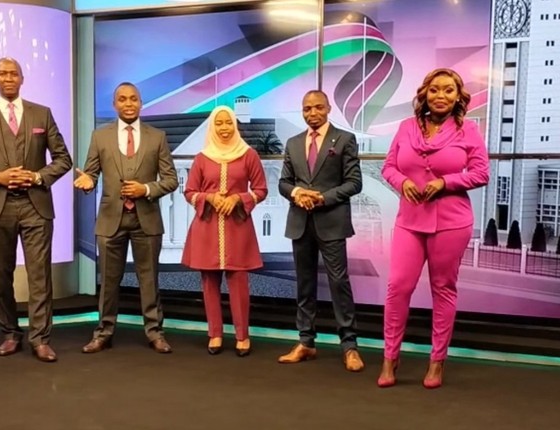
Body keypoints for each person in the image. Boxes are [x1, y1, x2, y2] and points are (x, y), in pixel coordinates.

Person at [0, 57, 72, 363]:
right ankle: (10, 333)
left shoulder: (41, 114)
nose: (8, 78)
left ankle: (41, 338)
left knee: (39, 276)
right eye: (3, 73)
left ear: (23, 78)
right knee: (0, 276)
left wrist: (37, 176)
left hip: (35, 205)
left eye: (14, 74)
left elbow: (63, 159)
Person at [378, 68, 489, 388]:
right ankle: (390, 357)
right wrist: (402, 182)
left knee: (443, 289)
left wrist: (446, 182)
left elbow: (481, 174)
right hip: (410, 221)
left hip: (451, 222)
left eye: (449, 91)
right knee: (398, 287)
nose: (441, 96)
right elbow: (389, 167)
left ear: (458, 97)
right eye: (435, 90)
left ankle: (437, 361)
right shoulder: (406, 127)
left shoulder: (468, 130)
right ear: (425, 94)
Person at [73, 82, 179, 354]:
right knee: (108, 281)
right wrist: (87, 181)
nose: (128, 103)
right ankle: (103, 333)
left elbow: (170, 180)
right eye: (122, 99)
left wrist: (145, 189)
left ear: (141, 103)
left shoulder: (158, 137)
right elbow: (91, 173)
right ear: (115, 104)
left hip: (147, 219)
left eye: (133, 99)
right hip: (110, 220)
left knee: (149, 280)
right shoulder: (100, 136)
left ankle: (155, 332)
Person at [277, 90, 364, 372]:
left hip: (332, 221)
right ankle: (306, 342)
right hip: (300, 222)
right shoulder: (292, 143)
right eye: (306, 108)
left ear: (328, 109)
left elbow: (354, 183)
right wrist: (298, 193)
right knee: (304, 285)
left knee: (339, 284)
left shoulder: (345, 139)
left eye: (317, 107)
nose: (312, 113)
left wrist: (322, 198)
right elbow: (283, 183)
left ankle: (349, 346)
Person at [180, 106, 267, 357]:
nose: (224, 128)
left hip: (237, 226)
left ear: (235, 124)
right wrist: (209, 198)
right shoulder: (202, 157)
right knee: (209, 282)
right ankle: (215, 334)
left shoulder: (248, 155)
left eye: (228, 122)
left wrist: (238, 199)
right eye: (219, 123)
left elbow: (260, 190)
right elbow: (189, 192)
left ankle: (242, 336)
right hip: (207, 227)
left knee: (238, 282)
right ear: (212, 127)